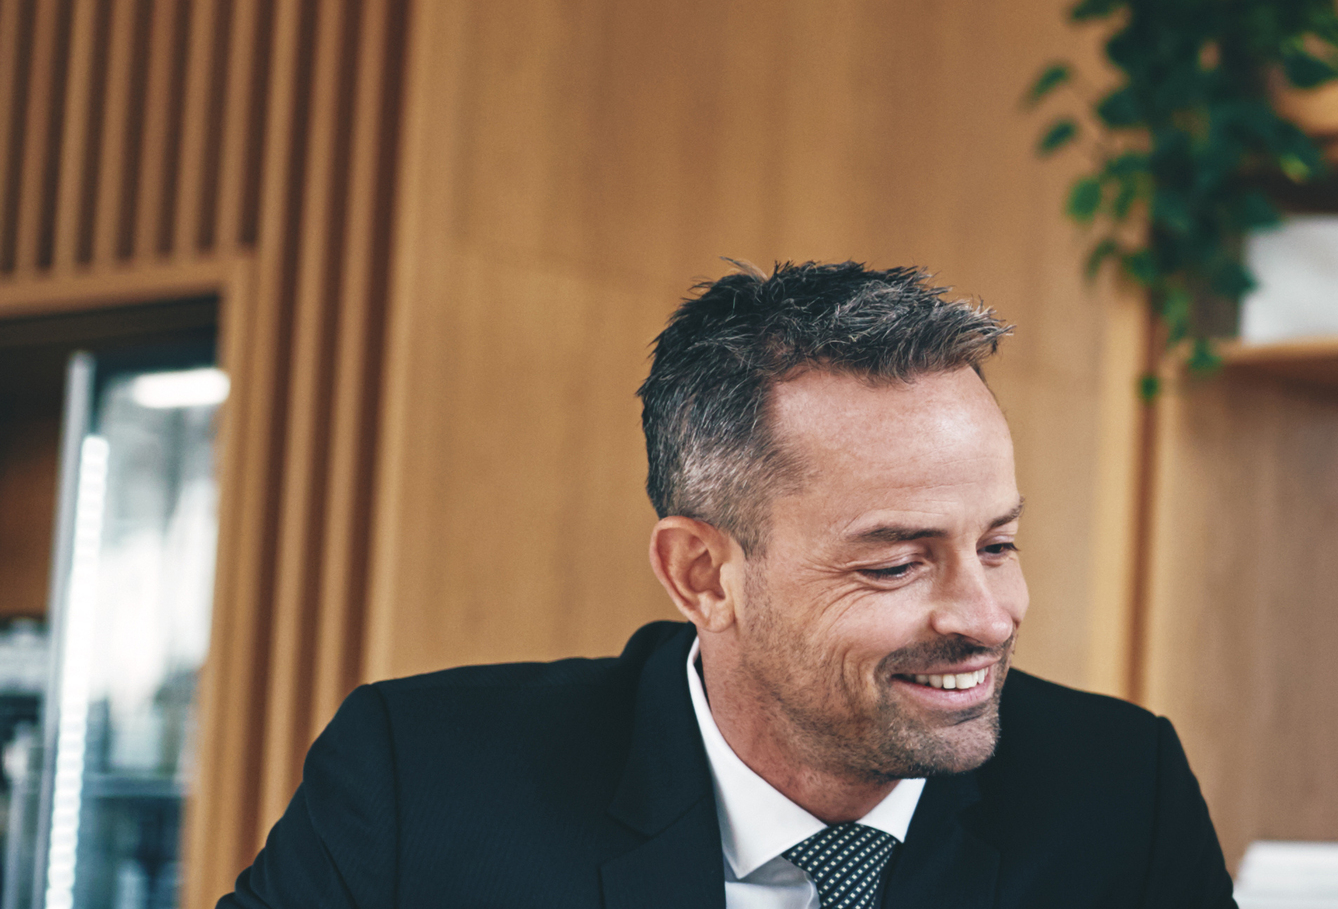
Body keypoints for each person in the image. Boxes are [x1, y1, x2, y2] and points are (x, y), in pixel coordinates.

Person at [221, 263, 1235, 907]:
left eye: (1000, 545)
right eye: (894, 562)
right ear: (702, 573)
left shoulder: (1118, 794)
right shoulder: (426, 779)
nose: (986, 614)